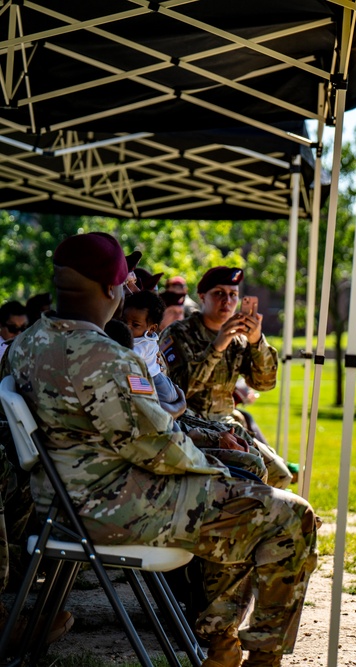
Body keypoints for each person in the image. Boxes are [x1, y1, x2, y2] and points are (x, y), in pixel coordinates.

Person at [1, 232, 318, 667]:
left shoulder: (25, 345)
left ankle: (220, 639)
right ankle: (258, 656)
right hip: (119, 508)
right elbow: (161, 446)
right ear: (114, 290)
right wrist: (216, 471)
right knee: (288, 514)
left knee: (242, 494)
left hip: (62, 505)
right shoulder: (108, 357)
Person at [161, 267, 293, 489]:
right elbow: (178, 390)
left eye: (233, 295)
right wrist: (217, 346)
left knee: (280, 475)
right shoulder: (179, 333)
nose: (227, 301)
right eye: (219, 293)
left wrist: (256, 341)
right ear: (202, 297)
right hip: (192, 424)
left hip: (226, 422)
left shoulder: (239, 338)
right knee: (246, 475)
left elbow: (264, 383)